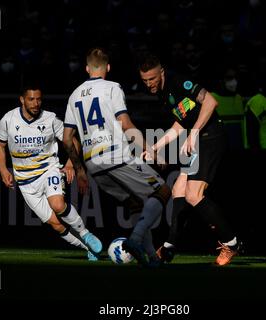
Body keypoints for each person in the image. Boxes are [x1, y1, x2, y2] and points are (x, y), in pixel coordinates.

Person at [62, 48, 171, 267]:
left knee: (134, 204)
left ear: (86, 68)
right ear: (108, 68)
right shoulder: (112, 88)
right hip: (114, 154)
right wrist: (149, 149)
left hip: (93, 163)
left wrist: (80, 169)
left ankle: (151, 258)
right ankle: (135, 240)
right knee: (163, 190)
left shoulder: (74, 95)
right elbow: (125, 122)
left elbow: (66, 139)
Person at [139, 54, 240, 266]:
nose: (149, 84)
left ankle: (231, 242)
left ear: (162, 73)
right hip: (198, 140)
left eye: (152, 79)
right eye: (145, 80)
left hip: (211, 137)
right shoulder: (163, 94)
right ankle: (169, 247)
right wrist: (155, 146)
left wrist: (194, 132)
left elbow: (211, 101)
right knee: (178, 191)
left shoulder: (178, 82)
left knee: (194, 195)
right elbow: (179, 124)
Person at [0, 84, 103, 260]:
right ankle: (88, 248)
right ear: (22, 99)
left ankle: (85, 233)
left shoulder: (50, 119)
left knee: (58, 205)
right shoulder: (8, 119)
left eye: (38, 99)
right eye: (31, 99)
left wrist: (69, 163)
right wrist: (2, 169)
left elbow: (73, 141)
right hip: (25, 181)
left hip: (48, 170)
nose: (36, 103)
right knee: (56, 224)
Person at [211, 67, 247, 150]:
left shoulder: (239, 99)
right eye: (229, 78)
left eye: (236, 77)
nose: (234, 81)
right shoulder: (211, 98)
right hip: (218, 151)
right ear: (220, 80)